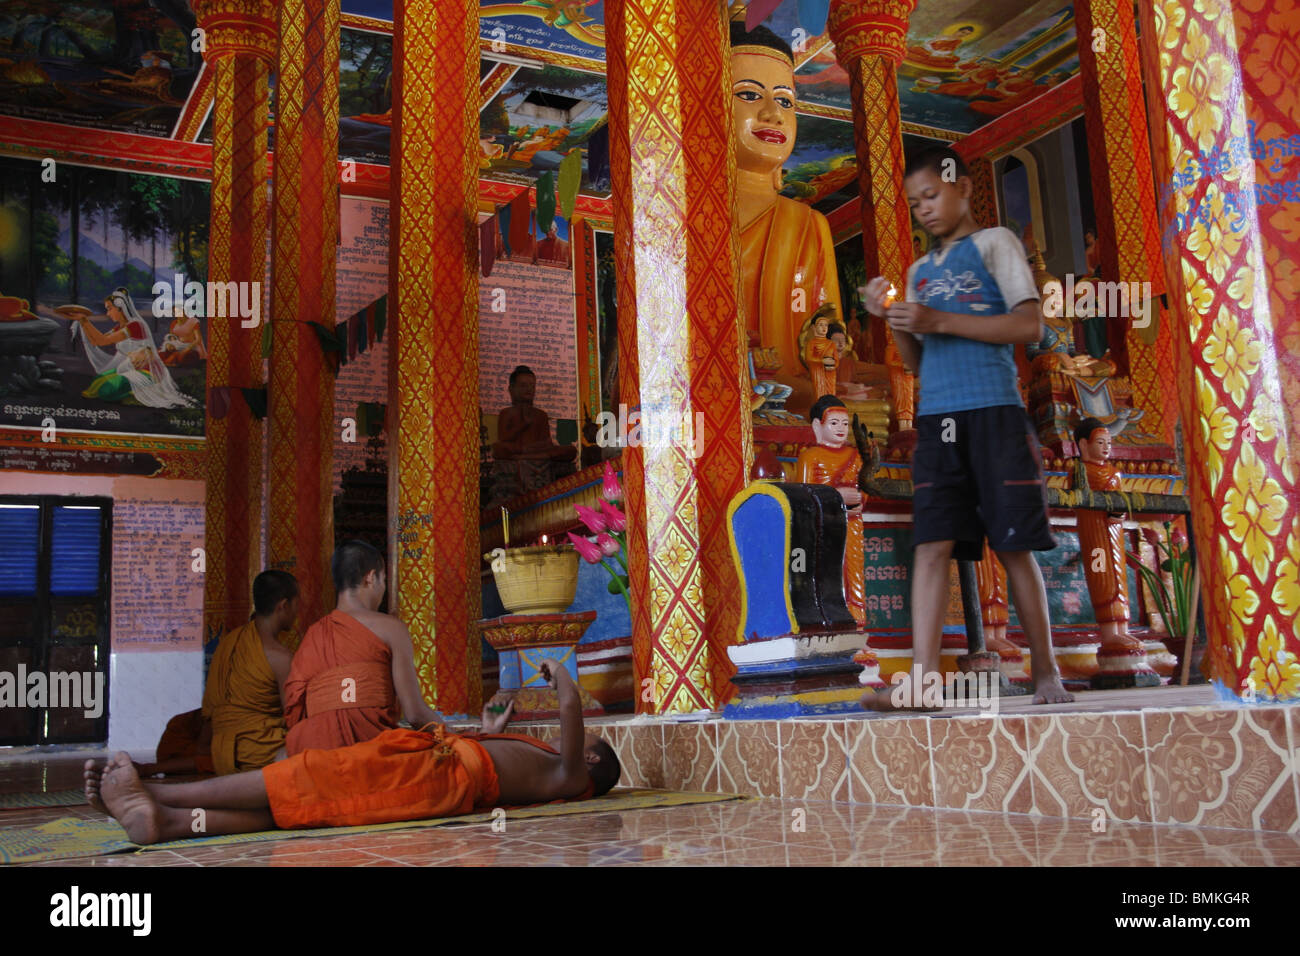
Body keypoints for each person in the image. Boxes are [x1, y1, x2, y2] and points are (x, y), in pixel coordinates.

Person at [859, 145, 1073, 709]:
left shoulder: (995, 244)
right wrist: (894, 319)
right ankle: (924, 681)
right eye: (915, 203)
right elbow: (920, 362)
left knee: (1014, 545)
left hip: (995, 413)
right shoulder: (919, 272)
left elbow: (1029, 325)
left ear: (964, 187)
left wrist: (937, 318)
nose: (924, 210)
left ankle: (1047, 671)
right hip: (938, 422)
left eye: (932, 195)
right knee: (930, 545)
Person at [84, 660, 620, 844]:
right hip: (436, 764)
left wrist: (562, 678)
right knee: (306, 809)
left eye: (585, 745)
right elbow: (499, 760)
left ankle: (152, 790)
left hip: (433, 775)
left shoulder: (569, 775)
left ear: (592, 761)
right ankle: (165, 821)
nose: (567, 741)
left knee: (312, 776)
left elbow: (570, 713)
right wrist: (487, 728)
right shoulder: (549, 767)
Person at [731, 22, 842, 419]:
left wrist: (834, 348)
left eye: (786, 101)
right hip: (724, 381)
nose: (772, 114)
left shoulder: (809, 223)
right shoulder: (689, 218)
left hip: (799, 384)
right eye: (748, 95)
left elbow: (826, 321)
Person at [283, 540, 442, 754]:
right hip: (373, 752)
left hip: (315, 753)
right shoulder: (391, 628)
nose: (383, 589)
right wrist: (452, 736)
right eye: (383, 580)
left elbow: (295, 708)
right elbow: (415, 714)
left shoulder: (312, 636)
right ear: (371, 577)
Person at [137, 570, 299, 777]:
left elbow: (212, 711)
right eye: (296, 604)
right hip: (262, 756)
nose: (297, 612)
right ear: (283, 606)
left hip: (221, 755)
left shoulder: (227, 644)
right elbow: (293, 719)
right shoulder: (281, 657)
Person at [796, 395, 866, 626]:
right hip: (823, 528)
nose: (841, 429)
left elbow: (865, 489)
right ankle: (831, 623)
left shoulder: (855, 457)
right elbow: (803, 499)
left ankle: (857, 625)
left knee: (854, 576)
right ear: (818, 426)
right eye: (834, 423)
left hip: (852, 525)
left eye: (845, 424)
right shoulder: (810, 456)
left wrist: (860, 500)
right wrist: (837, 496)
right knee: (827, 573)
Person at [69, 288, 196, 409]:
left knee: (105, 390)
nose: (108, 313)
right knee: (97, 381)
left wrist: (84, 320)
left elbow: (101, 340)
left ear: (120, 309)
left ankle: (135, 394)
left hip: (147, 373)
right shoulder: (119, 327)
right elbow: (96, 341)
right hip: (129, 368)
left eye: (109, 309)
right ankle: (128, 390)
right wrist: (82, 323)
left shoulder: (135, 326)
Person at [491, 365, 577, 464]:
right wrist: (523, 425)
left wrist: (537, 446)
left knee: (571, 450)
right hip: (518, 449)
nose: (529, 389)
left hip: (533, 450)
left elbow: (547, 443)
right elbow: (504, 439)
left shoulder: (541, 415)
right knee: (498, 448)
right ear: (512, 389)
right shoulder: (506, 413)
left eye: (532, 386)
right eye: (523, 385)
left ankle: (524, 457)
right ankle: (536, 457)